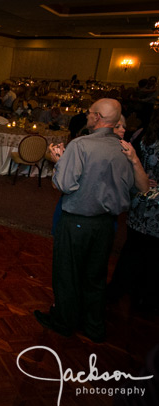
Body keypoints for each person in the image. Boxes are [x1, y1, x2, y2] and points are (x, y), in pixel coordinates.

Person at [34, 98, 148, 343]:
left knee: (67, 274)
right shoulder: (125, 148)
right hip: (106, 225)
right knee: (95, 277)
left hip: (78, 222)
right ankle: (94, 327)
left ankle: (64, 322)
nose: (86, 115)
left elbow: (65, 184)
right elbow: (141, 187)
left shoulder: (81, 145)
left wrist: (58, 163)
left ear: (97, 117)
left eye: (89, 113)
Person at [107, 110, 159, 312]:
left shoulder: (144, 138)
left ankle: (119, 290)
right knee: (152, 255)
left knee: (133, 249)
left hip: (140, 201)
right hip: (154, 208)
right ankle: (143, 298)